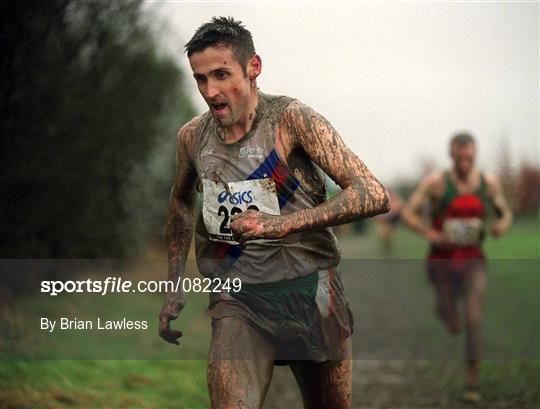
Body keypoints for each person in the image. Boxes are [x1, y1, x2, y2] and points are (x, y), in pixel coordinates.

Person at [158, 17, 390, 409]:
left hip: (310, 292)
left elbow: (372, 193)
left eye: (221, 74)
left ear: (253, 68)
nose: (210, 91)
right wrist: (174, 282)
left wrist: (281, 224)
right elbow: (181, 202)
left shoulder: (293, 121)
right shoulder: (192, 138)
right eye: (200, 79)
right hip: (239, 300)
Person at [401, 132, 512, 403]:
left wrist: (501, 225)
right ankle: (445, 311)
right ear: (451, 155)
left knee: (473, 318)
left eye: (469, 157)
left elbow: (505, 212)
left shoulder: (489, 183)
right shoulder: (436, 183)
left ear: (474, 155)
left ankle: (472, 382)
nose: (465, 162)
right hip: (442, 264)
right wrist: (430, 234)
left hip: (474, 261)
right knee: (452, 321)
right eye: (459, 157)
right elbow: (407, 212)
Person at [374, 188, 403, 254]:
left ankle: (387, 244)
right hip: (384, 216)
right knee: (385, 230)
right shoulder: (380, 196)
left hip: (389, 216)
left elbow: (398, 205)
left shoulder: (393, 197)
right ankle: (386, 243)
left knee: (387, 230)